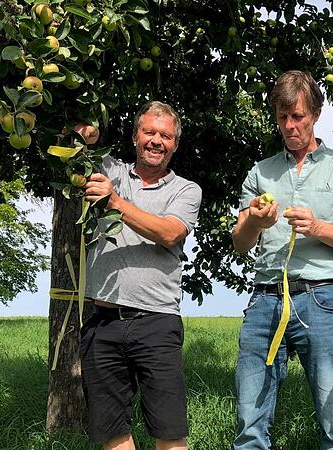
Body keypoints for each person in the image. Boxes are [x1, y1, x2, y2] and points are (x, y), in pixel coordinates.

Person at [231, 70, 333, 450]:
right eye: (282, 118)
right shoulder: (261, 171)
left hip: (321, 299)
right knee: (249, 423)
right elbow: (240, 243)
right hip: (264, 300)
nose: (290, 126)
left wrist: (318, 228)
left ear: (316, 114)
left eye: (298, 116)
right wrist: (254, 221)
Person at [79, 101, 202, 450]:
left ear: (175, 144)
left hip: (157, 322)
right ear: (135, 136)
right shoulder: (110, 170)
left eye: (165, 135)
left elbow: (170, 233)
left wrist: (116, 203)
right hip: (102, 322)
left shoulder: (186, 190)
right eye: (149, 132)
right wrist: (83, 137)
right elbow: (73, 153)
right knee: (111, 431)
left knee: (169, 431)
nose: (156, 141)